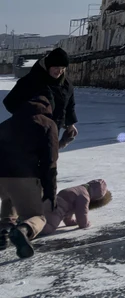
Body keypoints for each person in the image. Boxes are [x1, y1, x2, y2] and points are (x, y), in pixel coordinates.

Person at [0, 95, 59, 258]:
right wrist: (50, 192)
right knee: (37, 216)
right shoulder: (47, 124)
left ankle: (3, 231)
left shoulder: (7, 123)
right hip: (24, 176)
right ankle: (22, 231)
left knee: (9, 198)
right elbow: (50, 162)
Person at [3, 48, 79, 149]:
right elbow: (10, 102)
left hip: (53, 132)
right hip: (29, 135)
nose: (59, 71)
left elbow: (69, 105)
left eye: (63, 68)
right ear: (48, 65)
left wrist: (70, 123)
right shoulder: (32, 80)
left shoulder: (66, 84)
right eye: (56, 67)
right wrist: (28, 118)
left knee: (49, 160)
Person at [38, 179, 110, 237]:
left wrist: (69, 222)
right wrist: (84, 224)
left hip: (49, 203)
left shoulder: (78, 189)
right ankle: (30, 231)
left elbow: (69, 210)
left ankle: (31, 224)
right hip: (56, 210)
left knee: (41, 219)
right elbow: (82, 212)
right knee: (49, 227)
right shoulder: (84, 196)